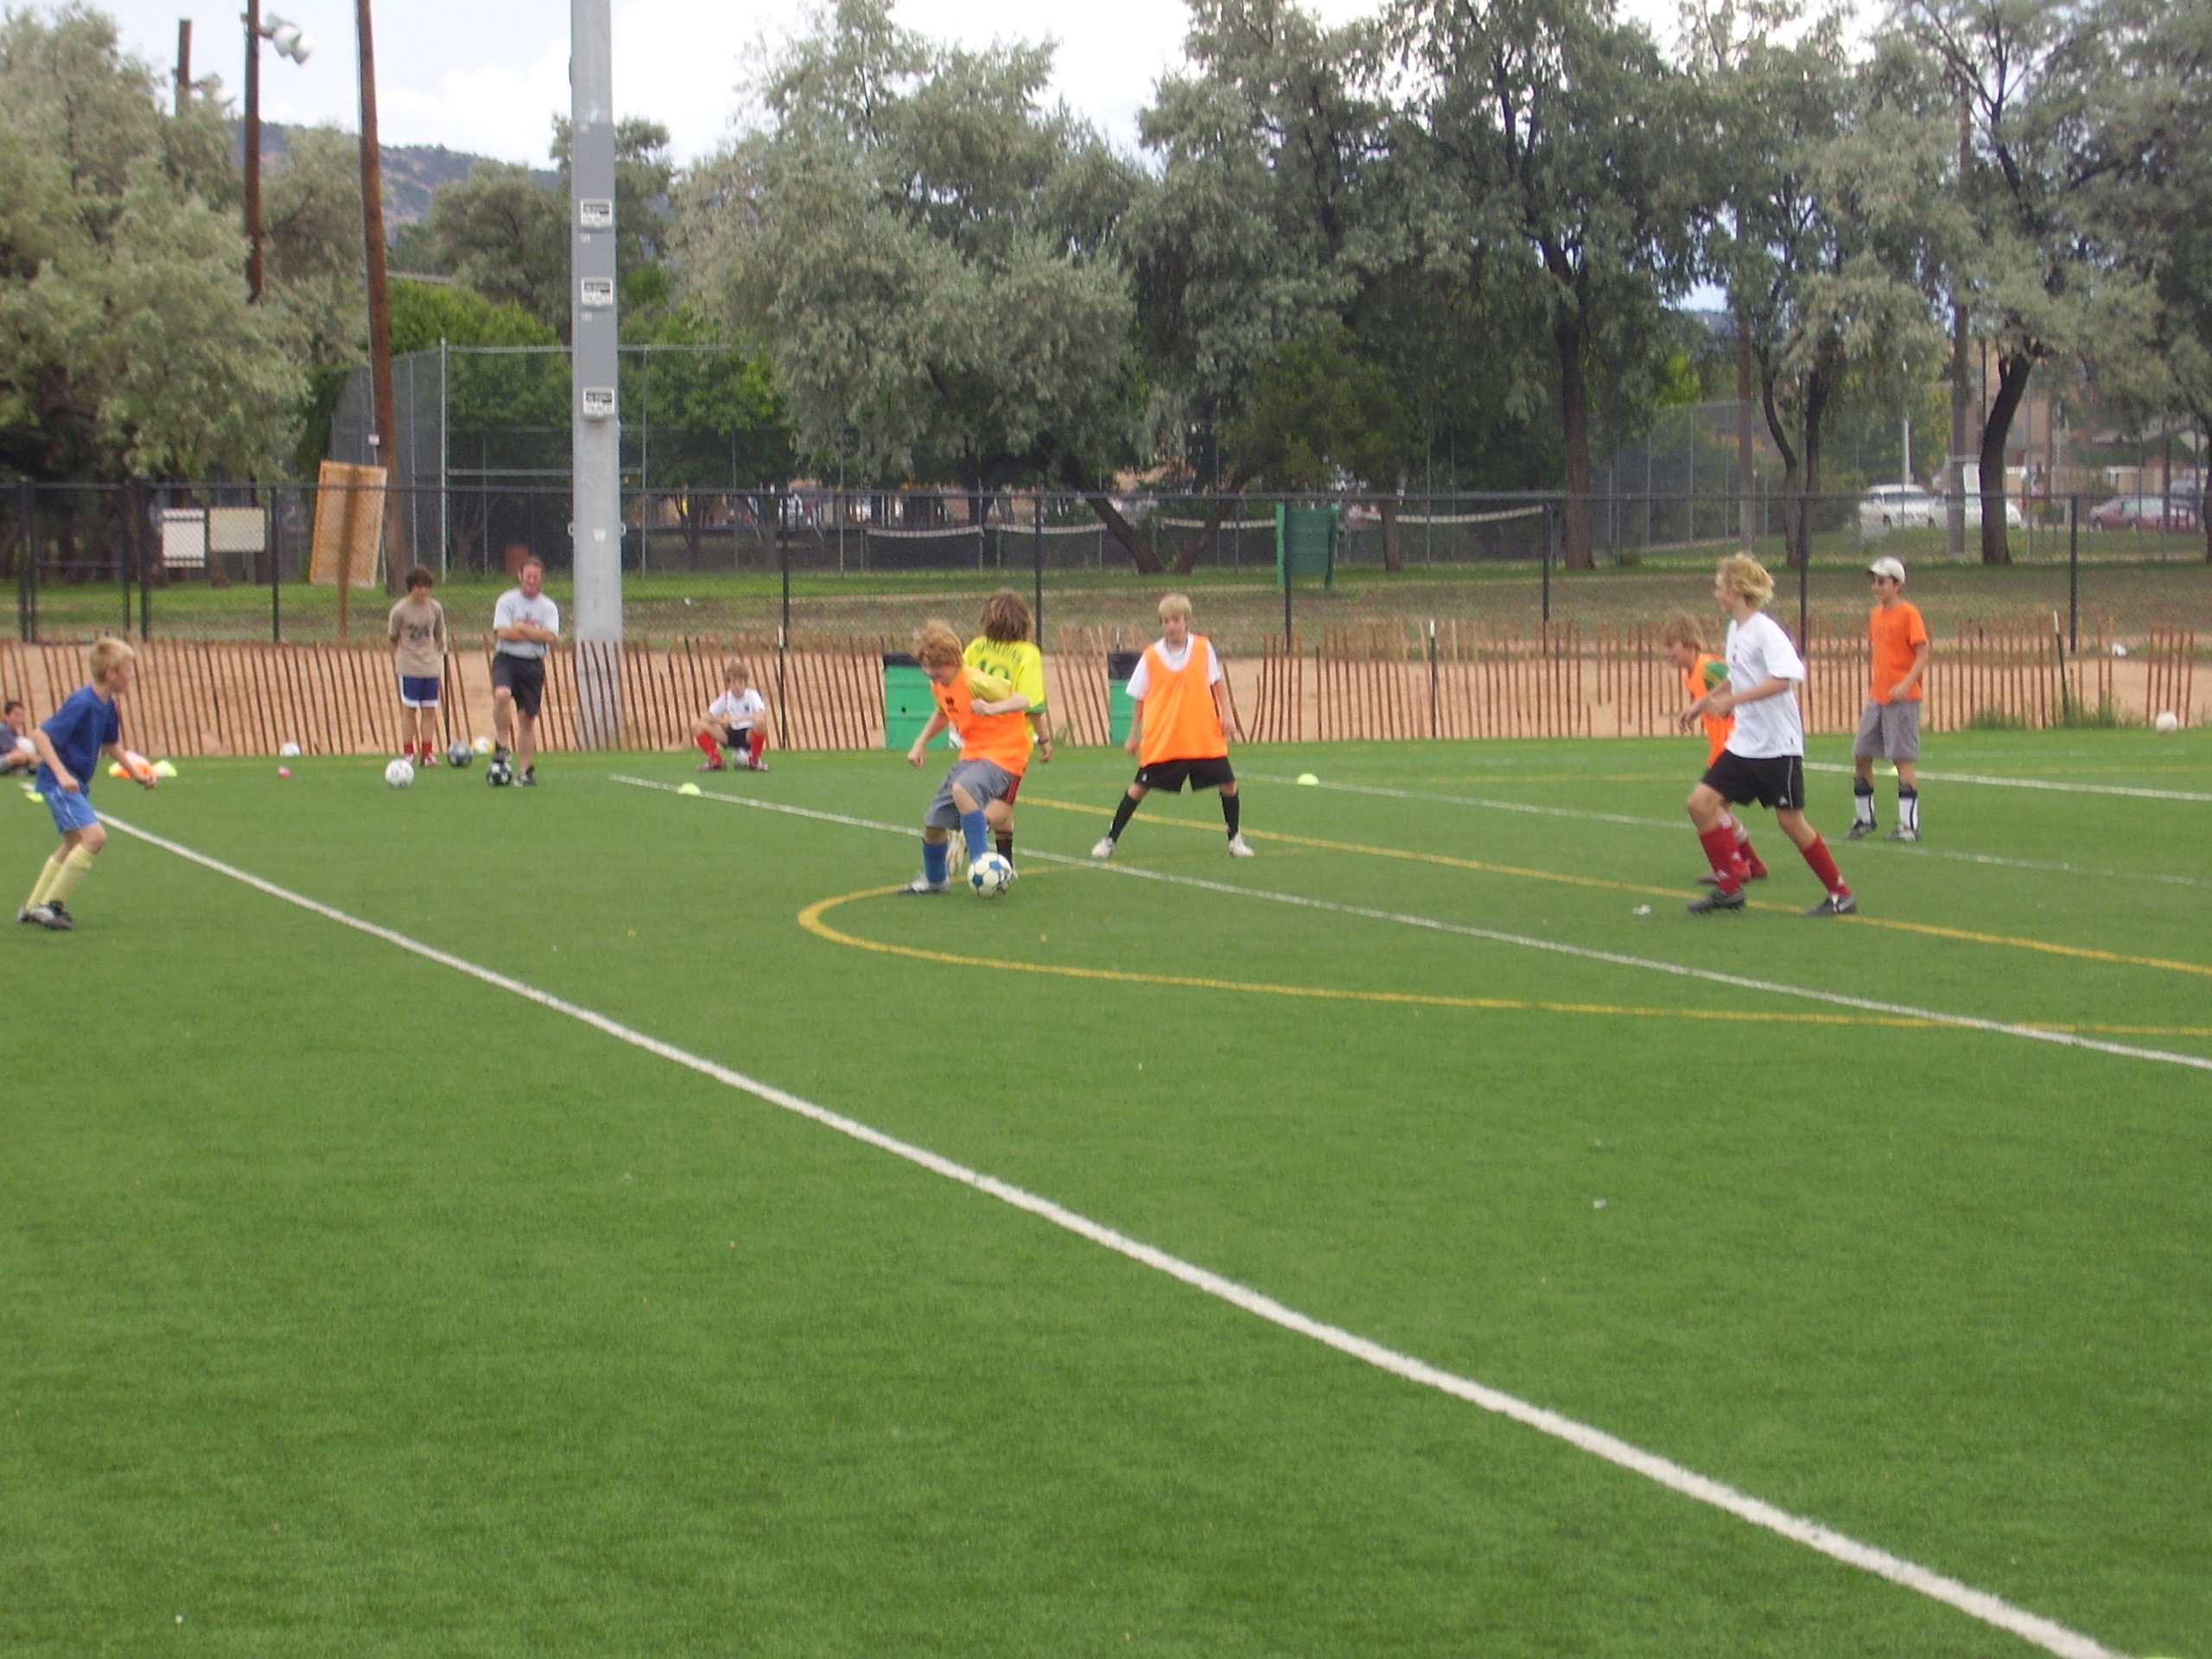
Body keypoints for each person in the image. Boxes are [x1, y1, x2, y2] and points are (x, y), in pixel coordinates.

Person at [1677, 556, 1855, 917]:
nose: (1716, 592)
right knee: (1700, 803)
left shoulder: (1766, 630)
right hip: (1746, 744)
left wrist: (1731, 701)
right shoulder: (1736, 631)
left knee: (1790, 821)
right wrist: (1704, 703)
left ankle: (1840, 893)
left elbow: (1784, 679)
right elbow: (1738, 676)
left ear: (1737, 590)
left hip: (1777, 746)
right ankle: (1729, 887)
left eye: (1719, 585)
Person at [1090, 593, 1251, 861]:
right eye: (1165, 621)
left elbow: (1217, 683)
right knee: (1139, 788)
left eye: (1175, 620)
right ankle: (1110, 839)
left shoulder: (1203, 648)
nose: (1170, 626)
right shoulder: (1152, 656)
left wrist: (1227, 714)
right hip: (1165, 738)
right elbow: (1140, 697)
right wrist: (1133, 734)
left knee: (1228, 783)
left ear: (1187, 621)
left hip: (1202, 735)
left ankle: (1235, 838)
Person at [17, 638, 156, 931]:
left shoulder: (108, 704)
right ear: (111, 673)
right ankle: (49, 905)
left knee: (72, 841)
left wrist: (137, 773)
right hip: (60, 781)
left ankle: (32, 907)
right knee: (95, 837)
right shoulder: (82, 703)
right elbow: (40, 736)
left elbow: (111, 745)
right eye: (128, 671)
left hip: (73, 781)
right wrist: (62, 774)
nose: (131, 677)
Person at [900, 620, 1033, 894]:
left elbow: (1023, 701)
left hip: (1005, 753)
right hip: (973, 753)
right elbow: (942, 712)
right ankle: (936, 881)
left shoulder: (975, 681)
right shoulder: (940, 685)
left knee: (963, 789)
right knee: (934, 824)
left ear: (952, 659)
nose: (930, 672)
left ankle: (982, 865)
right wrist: (920, 743)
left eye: (935, 666)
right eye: (926, 666)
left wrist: (992, 708)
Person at [1662, 615, 1766, 886]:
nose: (1667, 653)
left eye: (1671, 645)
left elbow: (1739, 682)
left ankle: (1735, 865)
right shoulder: (1691, 674)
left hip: (1735, 746)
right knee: (1719, 807)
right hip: (1723, 747)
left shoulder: (1709, 668)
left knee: (1713, 806)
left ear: (1689, 645)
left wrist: (1728, 705)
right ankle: (1751, 862)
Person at [963, 589, 1051, 867]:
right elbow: (1032, 703)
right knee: (1002, 804)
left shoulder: (976, 648)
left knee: (1003, 805)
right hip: (1010, 743)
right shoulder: (1027, 653)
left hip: (977, 738)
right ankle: (969, 832)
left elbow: (960, 681)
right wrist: (1045, 738)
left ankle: (1006, 863)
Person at [1849, 555, 1930, 842]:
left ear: (1897, 584)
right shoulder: (1875, 615)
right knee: (1861, 755)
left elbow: (1922, 654)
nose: (1876, 586)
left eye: (1881, 581)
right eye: (1873, 581)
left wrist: (1906, 683)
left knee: (1902, 758)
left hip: (1903, 699)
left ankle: (1909, 826)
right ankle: (1864, 818)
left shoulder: (1909, 614)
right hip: (1878, 697)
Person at [491, 556, 559, 785]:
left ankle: (524, 771)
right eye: (528, 576)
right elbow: (503, 632)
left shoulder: (548, 606)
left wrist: (520, 627)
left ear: (541, 579)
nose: (531, 581)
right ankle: (502, 745)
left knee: (527, 719)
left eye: (536, 577)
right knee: (501, 694)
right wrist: (532, 632)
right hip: (507, 659)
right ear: (520, 575)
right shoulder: (507, 601)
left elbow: (550, 637)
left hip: (532, 664)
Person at [387, 565, 448, 766]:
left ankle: (427, 753)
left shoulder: (435, 608)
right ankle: (408, 753)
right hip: (409, 666)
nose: (422, 591)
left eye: (426, 587)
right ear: (411, 587)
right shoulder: (400, 611)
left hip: (430, 665)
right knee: (409, 710)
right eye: (418, 587)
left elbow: (438, 632)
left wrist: (437, 651)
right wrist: (402, 656)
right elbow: (393, 637)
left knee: (429, 710)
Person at [692, 664, 771, 771]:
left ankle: (754, 760)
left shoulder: (752, 695)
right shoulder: (726, 697)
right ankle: (716, 760)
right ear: (729, 684)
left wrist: (738, 719)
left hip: (747, 734)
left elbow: (761, 714)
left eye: (740, 683)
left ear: (745, 683)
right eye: (734, 683)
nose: (737, 686)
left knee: (760, 723)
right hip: (731, 733)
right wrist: (721, 720)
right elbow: (706, 716)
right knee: (697, 725)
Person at [0, 698, 35, 776]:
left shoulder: (13, 731)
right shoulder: (3, 730)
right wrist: (37, 760)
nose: (19, 719)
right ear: (6, 716)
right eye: (16, 715)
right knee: (18, 757)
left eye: (21, 715)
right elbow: (15, 751)